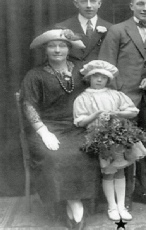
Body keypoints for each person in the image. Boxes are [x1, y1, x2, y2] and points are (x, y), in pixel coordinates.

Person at [20, 28, 98, 230]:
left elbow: (98, 90)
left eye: (61, 45)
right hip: (48, 128)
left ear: (68, 48)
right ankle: (73, 204)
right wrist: (43, 132)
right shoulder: (35, 75)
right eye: (52, 46)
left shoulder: (81, 70)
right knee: (57, 156)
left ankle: (77, 201)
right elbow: (29, 105)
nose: (57, 50)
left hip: (77, 125)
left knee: (86, 151)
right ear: (45, 50)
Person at [98, 0, 146, 210]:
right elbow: (107, 65)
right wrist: (119, 96)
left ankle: (144, 190)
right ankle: (124, 195)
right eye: (140, 3)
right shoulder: (117, 30)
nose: (145, 8)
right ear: (131, 6)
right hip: (123, 99)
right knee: (124, 146)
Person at [73, 60, 146, 221]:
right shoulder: (83, 98)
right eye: (95, 76)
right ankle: (111, 206)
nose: (99, 80)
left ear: (108, 80)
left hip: (118, 136)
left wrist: (116, 113)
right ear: (89, 78)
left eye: (103, 77)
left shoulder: (115, 95)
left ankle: (121, 206)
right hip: (99, 138)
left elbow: (132, 111)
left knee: (120, 170)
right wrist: (96, 115)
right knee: (108, 172)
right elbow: (80, 121)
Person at [55, 0, 112, 65]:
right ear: (76, 4)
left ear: (99, 4)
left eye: (93, 1)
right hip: (71, 73)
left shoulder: (111, 29)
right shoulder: (62, 27)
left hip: (98, 73)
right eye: (83, 1)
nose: (88, 6)